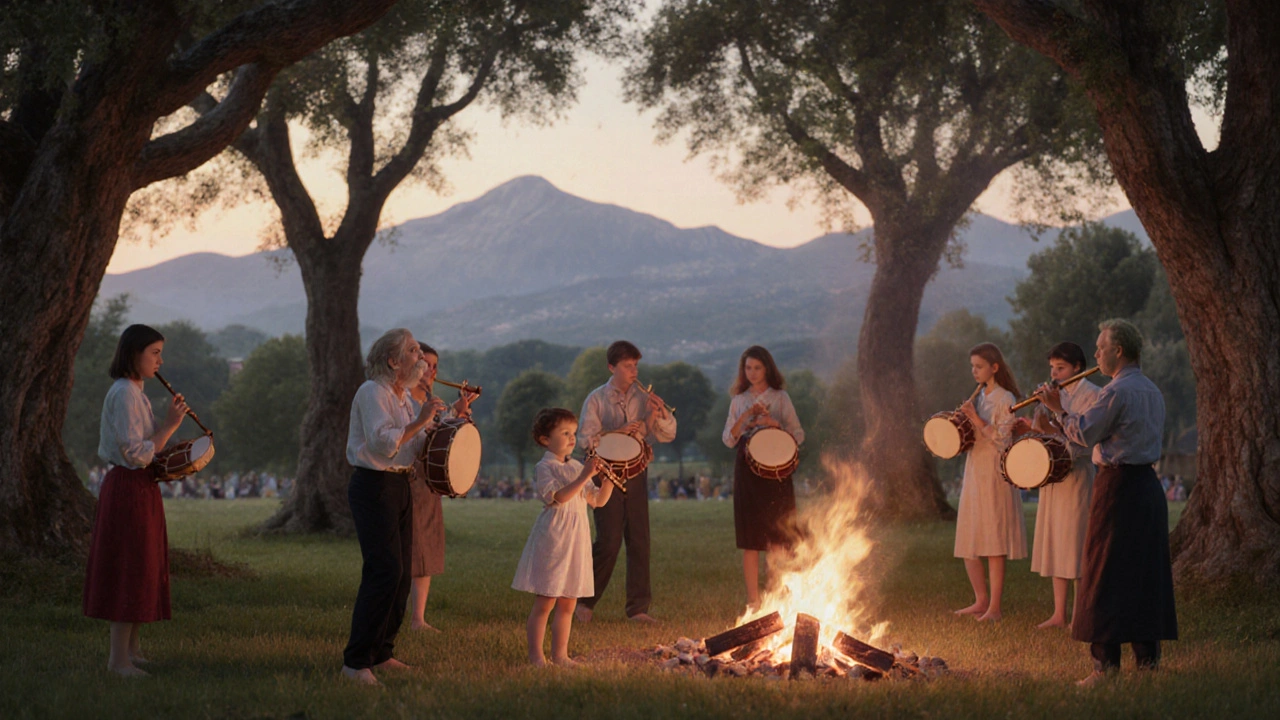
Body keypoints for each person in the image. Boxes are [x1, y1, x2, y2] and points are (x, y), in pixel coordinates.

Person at [1035, 319, 1176, 686]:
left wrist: (1058, 409)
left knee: (1103, 573)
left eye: (1100, 348)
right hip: (1148, 488)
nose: (1096, 354)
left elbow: (1084, 434)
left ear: (1118, 351)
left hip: (1118, 487)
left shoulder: (1115, 392)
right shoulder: (1152, 390)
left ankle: (1104, 668)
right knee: (1144, 574)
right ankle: (1147, 664)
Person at [341, 329, 447, 686]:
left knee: (401, 574)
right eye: (413, 351)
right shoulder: (373, 391)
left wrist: (440, 428)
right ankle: (355, 663)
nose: (421, 358)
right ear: (393, 360)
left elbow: (413, 445)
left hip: (400, 484)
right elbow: (383, 443)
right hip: (375, 486)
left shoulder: (403, 397)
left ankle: (382, 653)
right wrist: (421, 421)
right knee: (383, 571)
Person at [83, 324, 189, 677]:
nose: (160, 360)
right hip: (128, 487)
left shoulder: (136, 391)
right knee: (128, 567)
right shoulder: (125, 393)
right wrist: (170, 426)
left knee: (143, 564)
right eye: (154, 353)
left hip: (140, 486)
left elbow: (146, 448)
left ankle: (132, 650)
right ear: (134, 354)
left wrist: (171, 443)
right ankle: (118, 661)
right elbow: (135, 453)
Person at [574, 340, 676, 624]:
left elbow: (668, 434)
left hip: (636, 473)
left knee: (639, 540)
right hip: (606, 474)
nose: (634, 371)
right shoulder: (596, 399)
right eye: (628, 366)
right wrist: (617, 432)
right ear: (612, 367)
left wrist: (659, 413)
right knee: (608, 541)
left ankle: (638, 609)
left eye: (636, 366)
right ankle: (584, 602)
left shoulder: (644, 398)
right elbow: (584, 441)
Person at [512, 408, 613, 665]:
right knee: (546, 600)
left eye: (574, 433)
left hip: (576, 539)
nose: (571, 438)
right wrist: (585, 475)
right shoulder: (545, 467)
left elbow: (597, 501)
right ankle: (536, 656)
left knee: (568, 602)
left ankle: (560, 655)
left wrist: (609, 480)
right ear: (545, 439)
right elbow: (557, 497)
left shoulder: (577, 466)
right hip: (555, 538)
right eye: (565, 433)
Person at [1014, 342, 1100, 629]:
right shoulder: (1056, 393)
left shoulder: (1093, 395)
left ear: (1078, 367)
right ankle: (1059, 613)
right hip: (1053, 475)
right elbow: (1051, 434)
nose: (1054, 374)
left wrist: (1057, 410)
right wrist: (1037, 421)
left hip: (1077, 477)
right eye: (1052, 368)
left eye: (1060, 368)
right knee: (1056, 542)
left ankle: (1080, 614)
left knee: (1075, 543)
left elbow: (1084, 441)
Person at [721, 345, 806, 610]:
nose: (753, 373)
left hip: (777, 470)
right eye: (748, 368)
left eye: (757, 367)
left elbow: (798, 434)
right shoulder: (738, 400)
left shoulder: (780, 398)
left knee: (778, 538)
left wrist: (774, 424)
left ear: (767, 368)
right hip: (748, 471)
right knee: (751, 540)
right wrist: (747, 417)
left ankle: (774, 597)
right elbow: (728, 439)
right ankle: (753, 601)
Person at [953, 342, 1027, 622]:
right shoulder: (980, 397)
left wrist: (975, 418)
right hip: (975, 470)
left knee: (994, 540)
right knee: (969, 536)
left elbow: (1003, 439)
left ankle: (994, 607)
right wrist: (960, 424)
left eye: (979, 366)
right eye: (972, 366)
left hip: (995, 473)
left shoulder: (1005, 398)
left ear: (994, 367)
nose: (974, 371)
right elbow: (974, 436)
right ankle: (980, 600)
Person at [406, 342, 476, 632]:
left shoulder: (432, 401)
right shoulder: (402, 399)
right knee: (408, 547)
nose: (432, 371)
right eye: (426, 364)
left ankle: (418, 618)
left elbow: (437, 439)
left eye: (435, 366)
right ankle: (403, 615)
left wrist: (458, 413)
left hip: (427, 483)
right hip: (406, 480)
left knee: (426, 546)